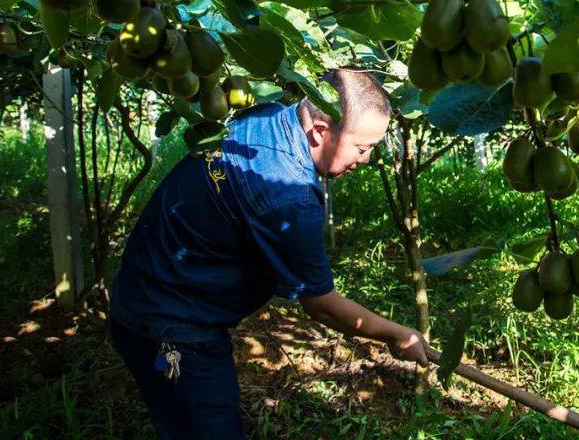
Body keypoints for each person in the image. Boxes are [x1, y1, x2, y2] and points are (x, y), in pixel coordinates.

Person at [109, 69, 427, 439]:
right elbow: (320, 304)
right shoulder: (288, 196)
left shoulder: (270, 114)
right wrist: (397, 334)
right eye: (362, 147)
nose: (367, 159)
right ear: (321, 131)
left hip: (141, 291)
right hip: (173, 326)